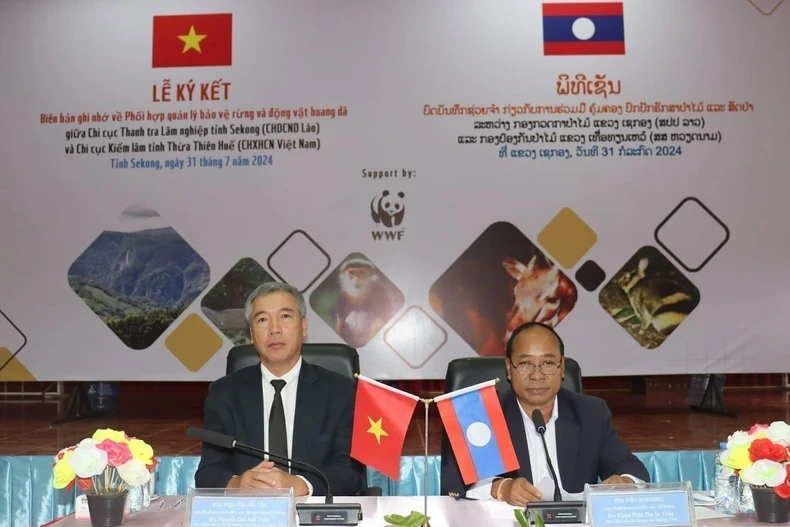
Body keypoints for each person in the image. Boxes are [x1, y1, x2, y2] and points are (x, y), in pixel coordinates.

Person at [441, 322, 649, 506]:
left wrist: (624, 481)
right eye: (525, 364)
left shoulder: (590, 413)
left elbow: (631, 467)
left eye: (548, 364)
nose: (537, 375)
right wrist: (501, 488)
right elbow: (453, 482)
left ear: (561, 368)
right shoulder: (484, 416)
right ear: (508, 369)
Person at [194, 281, 365, 496]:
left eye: (285, 317)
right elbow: (208, 473)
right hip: (250, 513)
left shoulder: (342, 392)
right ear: (251, 334)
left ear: (303, 327)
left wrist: (301, 485)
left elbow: (350, 472)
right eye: (263, 320)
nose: (274, 329)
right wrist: (237, 483)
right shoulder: (224, 394)